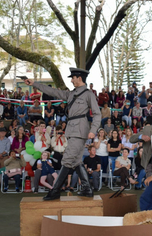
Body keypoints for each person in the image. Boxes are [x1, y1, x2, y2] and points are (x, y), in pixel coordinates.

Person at [24, 67, 102, 200]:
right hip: (72, 130)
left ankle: (55, 191)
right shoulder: (72, 94)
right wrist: (34, 84)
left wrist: (93, 131)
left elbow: (97, 114)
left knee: (67, 160)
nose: (71, 80)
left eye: (73, 78)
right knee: (76, 161)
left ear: (79, 78)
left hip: (80, 130)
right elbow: (53, 91)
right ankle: (87, 189)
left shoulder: (88, 94)